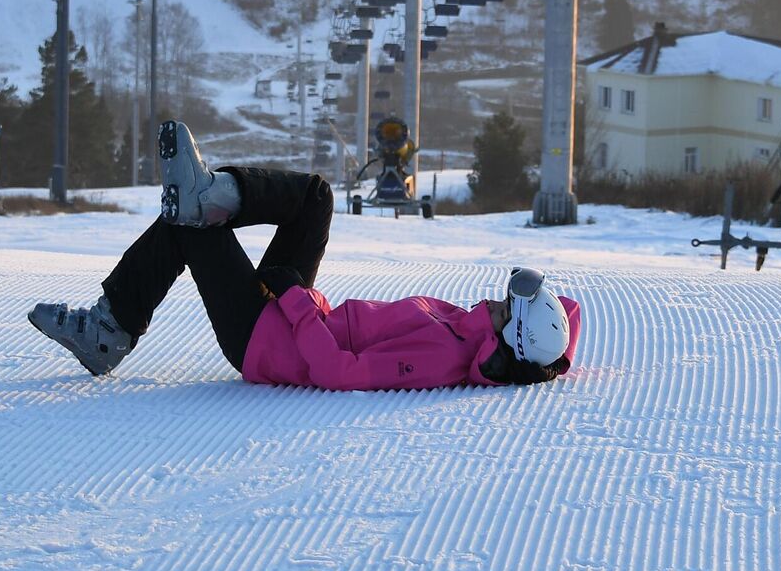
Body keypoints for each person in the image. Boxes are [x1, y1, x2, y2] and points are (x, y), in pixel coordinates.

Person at [30, 121, 582, 389]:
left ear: (507, 338)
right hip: (298, 313)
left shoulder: (443, 356)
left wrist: (294, 300)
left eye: (505, 308)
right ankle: (216, 192)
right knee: (315, 197)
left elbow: (341, 372)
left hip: (265, 342)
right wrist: (552, 345)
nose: (493, 299)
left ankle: (110, 329)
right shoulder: (479, 329)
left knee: (191, 231)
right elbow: (562, 325)